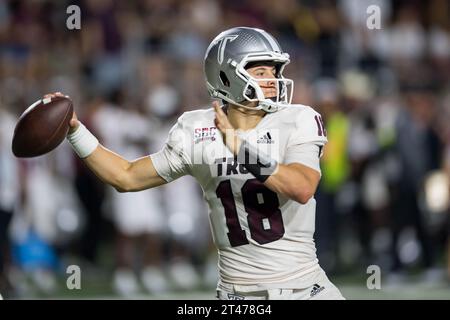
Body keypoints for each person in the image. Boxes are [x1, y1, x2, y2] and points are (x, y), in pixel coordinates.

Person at [48, 27, 344, 300]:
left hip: (307, 288)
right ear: (226, 77)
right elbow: (126, 177)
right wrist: (75, 131)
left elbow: (302, 187)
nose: (273, 80)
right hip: (238, 295)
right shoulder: (197, 129)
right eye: (261, 71)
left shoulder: (298, 118)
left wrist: (241, 149)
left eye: (274, 71)